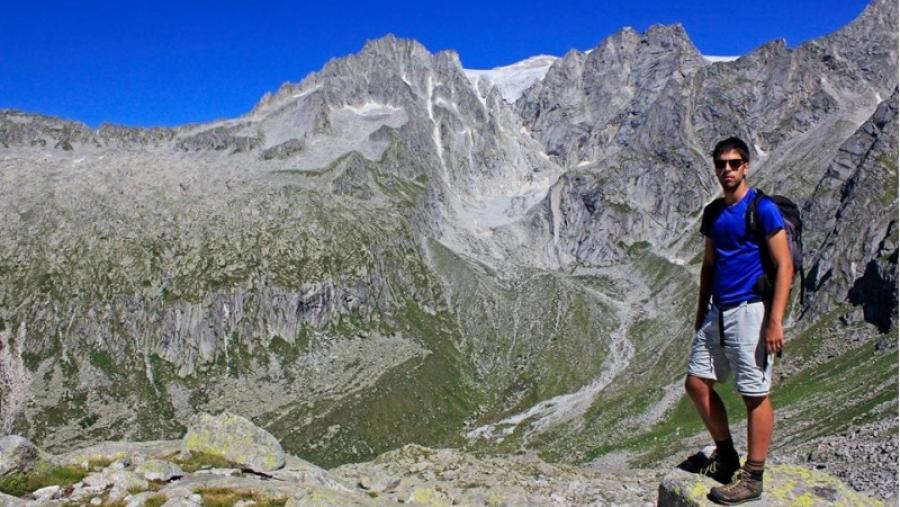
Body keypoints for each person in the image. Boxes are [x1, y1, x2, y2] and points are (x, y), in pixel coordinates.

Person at [684, 137, 792, 504]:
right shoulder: (714, 213)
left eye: (734, 163)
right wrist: (701, 312)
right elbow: (709, 265)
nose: (727, 170)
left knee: (754, 392)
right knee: (696, 383)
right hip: (719, 308)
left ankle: (754, 475)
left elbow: (784, 265)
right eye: (721, 164)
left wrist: (775, 320)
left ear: (746, 166)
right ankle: (726, 455)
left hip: (752, 310)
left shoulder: (762, 209)